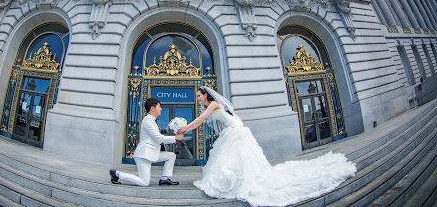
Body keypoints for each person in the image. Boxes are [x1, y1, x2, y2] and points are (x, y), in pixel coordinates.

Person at [178, 86, 357, 207]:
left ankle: (242, 181)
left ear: (206, 95)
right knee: (232, 156)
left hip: (235, 130)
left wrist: (185, 128)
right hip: (232, 129)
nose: (198, 98)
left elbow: (201, 120)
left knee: (237, 155)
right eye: (197, 97)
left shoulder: (214, 104)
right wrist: (186, 128)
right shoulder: (208, 106)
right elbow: (201, 121)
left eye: (199, 96)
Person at [109, 98, 184, 186]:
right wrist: (175, 138)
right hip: (143, 155)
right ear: (152, 108)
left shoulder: (153, 121)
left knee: (171, 156)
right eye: (159, 106)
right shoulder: (147, 121)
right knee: (144, 182)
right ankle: (117, 174)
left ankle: (164, 178)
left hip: (152, 153)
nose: (161, 109)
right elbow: (159, 138)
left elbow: (157, 136)